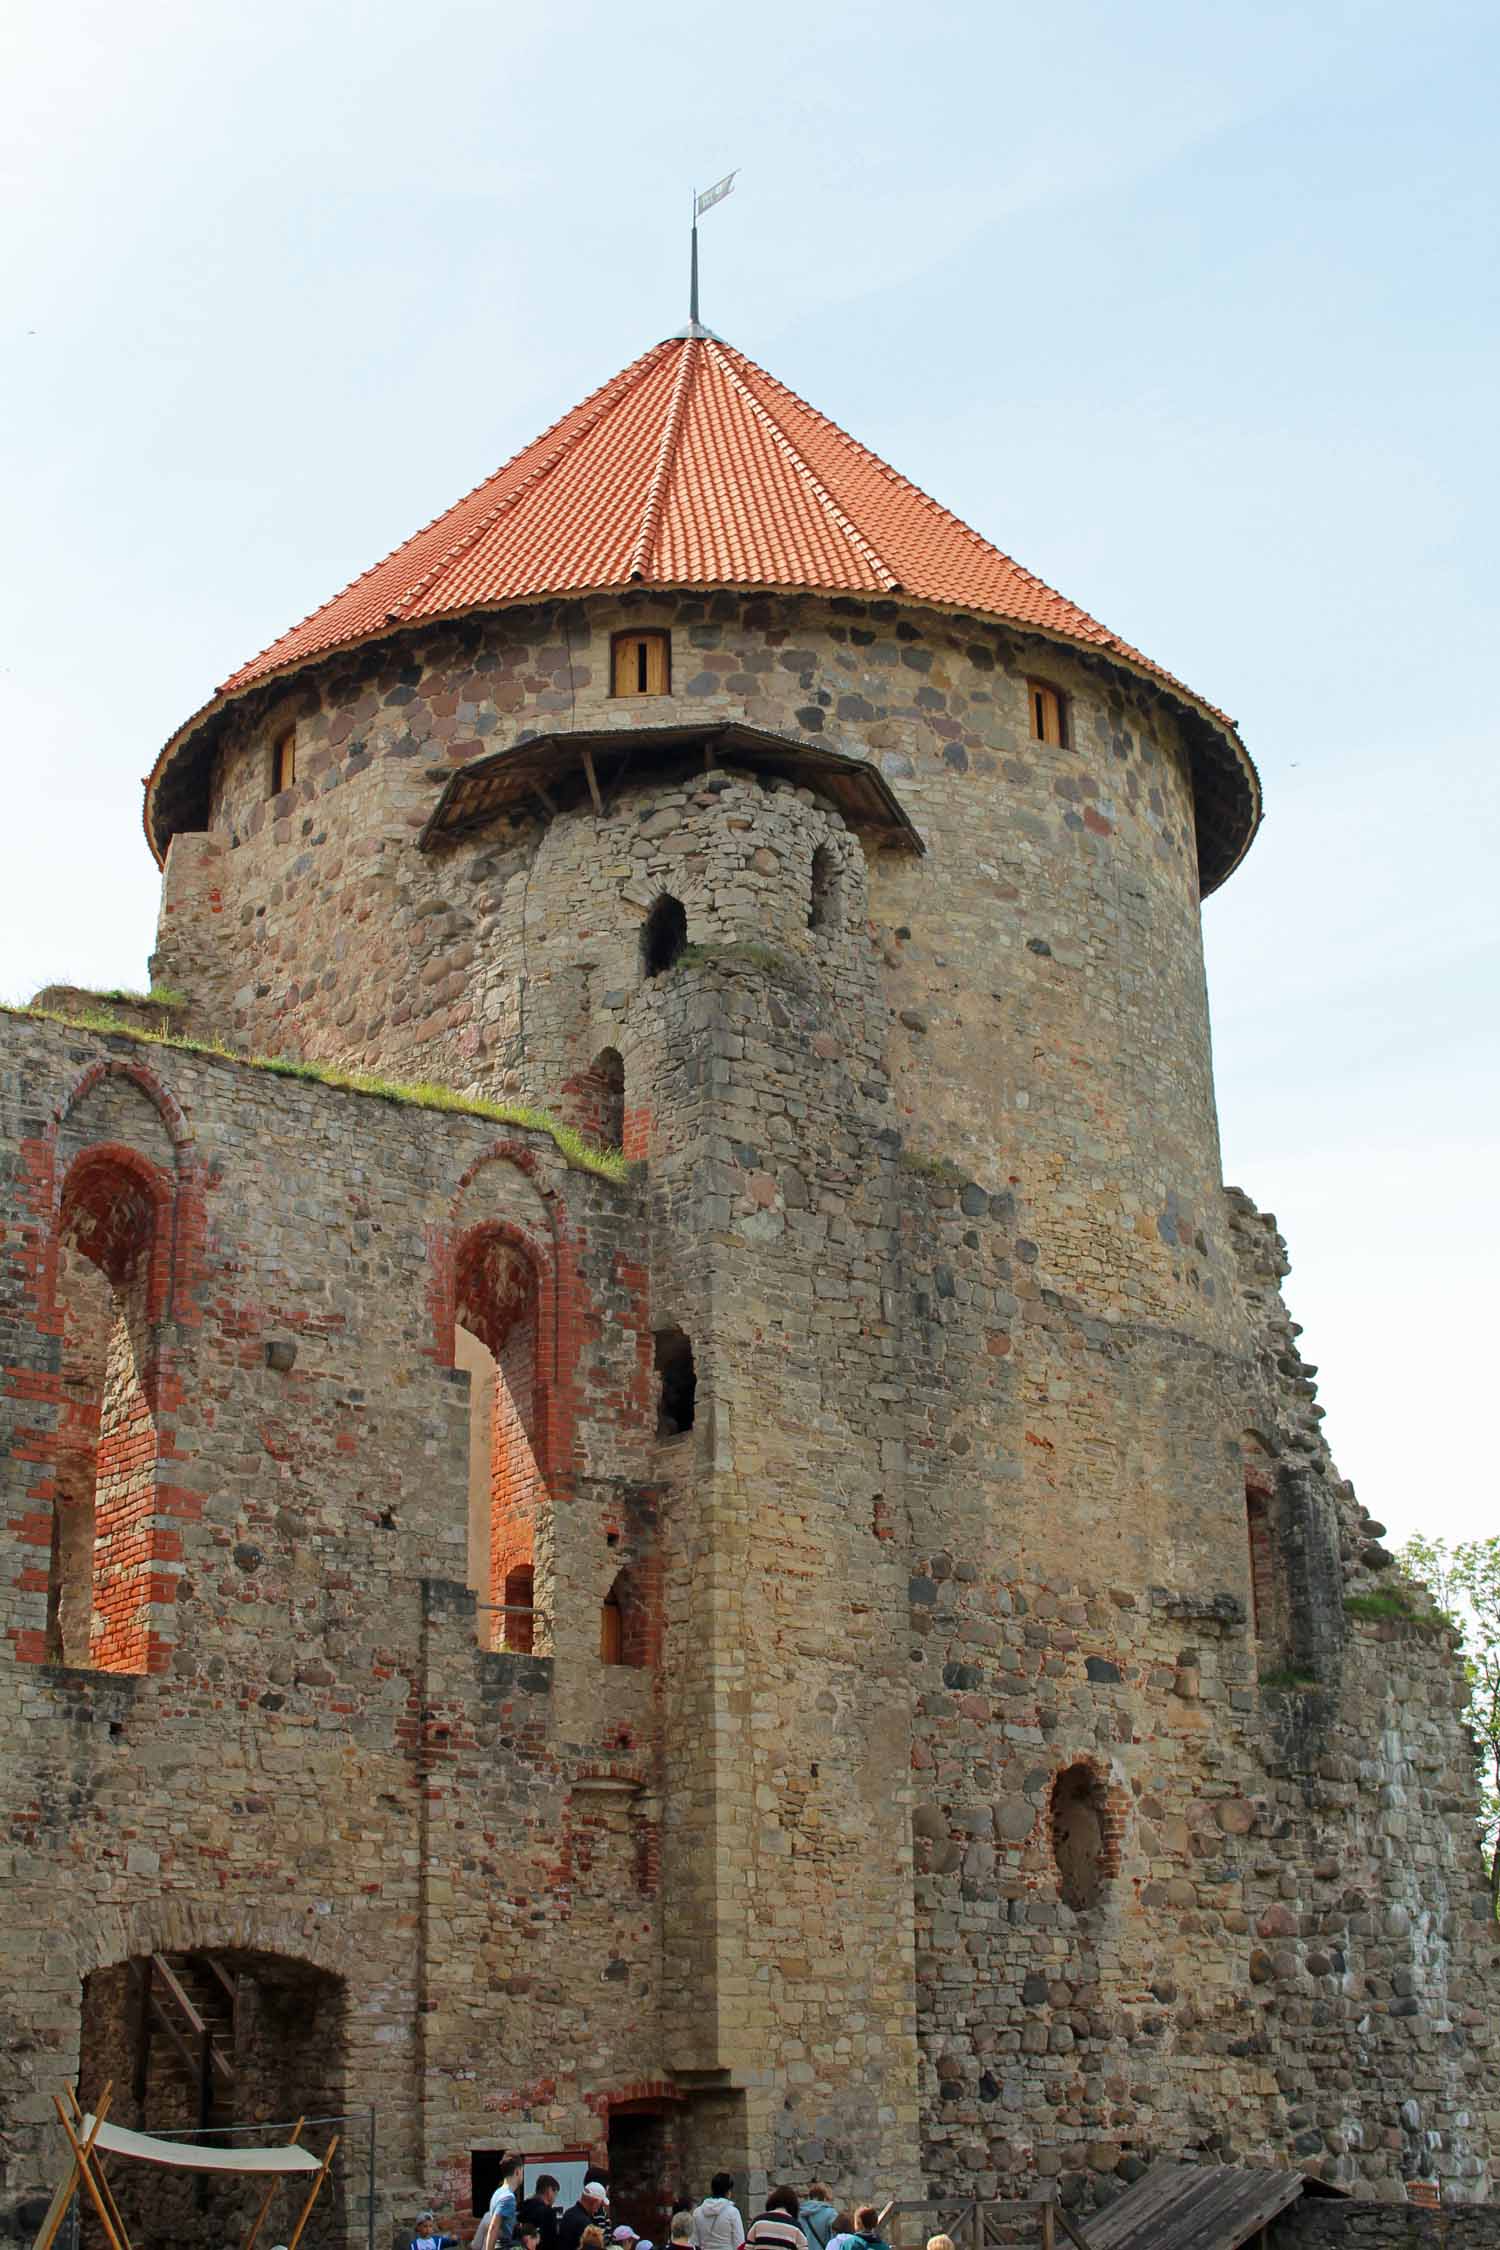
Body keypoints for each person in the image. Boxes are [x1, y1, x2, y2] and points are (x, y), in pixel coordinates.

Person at [693, 2175, 745, 2250]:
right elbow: (739, 2242)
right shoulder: (733, 2212)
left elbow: (694, 2241)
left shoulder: (697, 2212)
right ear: (728, 2192)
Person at [558, 2181, 611, 2250]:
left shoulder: (568, 2213)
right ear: (595, 2202)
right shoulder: (585, 2224)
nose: (598, 2209)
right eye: (600, 2205)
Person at [488, 2161, 525, 2250]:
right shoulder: (508, 2197)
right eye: (522, 2172)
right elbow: (493, 2227)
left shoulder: (497, 2193)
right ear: (517, 2171)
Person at [519, 2178, 562, 2250]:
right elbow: (551, 2243)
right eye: (555, 2194)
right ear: (549, 2190)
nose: (555, 2199)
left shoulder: (522, 2207)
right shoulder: (549, 2213)